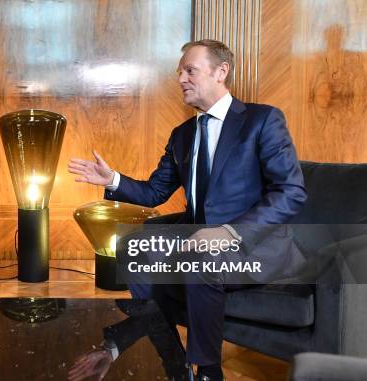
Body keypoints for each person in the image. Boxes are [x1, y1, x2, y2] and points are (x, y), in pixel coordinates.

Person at [68, 39, 307, 381]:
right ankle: (174, 362)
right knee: (131, 248)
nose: (180, 78)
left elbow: (291, 192)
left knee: (199, 257)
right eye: (179, 71)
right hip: (198, 241)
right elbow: (155, 192)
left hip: (255, 244)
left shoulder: (262, 120)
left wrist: (227, 233)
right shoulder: (183, 134)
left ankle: (208, 371)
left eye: (190, 70)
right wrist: (113, 179)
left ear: (221, 71)